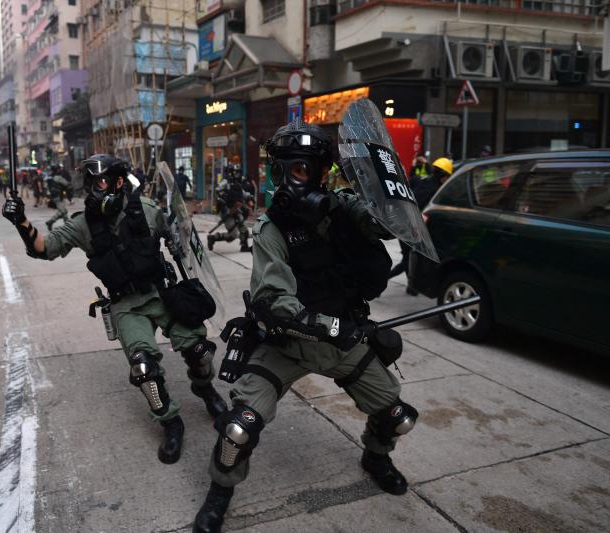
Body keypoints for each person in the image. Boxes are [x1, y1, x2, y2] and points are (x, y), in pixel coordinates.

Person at [193, 120, 416, 532]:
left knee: (397, 415)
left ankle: (376, 456)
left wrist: (390, 194)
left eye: (306, 170)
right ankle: (220, 491)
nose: (296, 180)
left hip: (342, 340)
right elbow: (274, 304)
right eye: (288, 170)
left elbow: (384, 224)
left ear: (322, 171)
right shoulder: (272, 230)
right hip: (285, 345)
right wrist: (331, 328)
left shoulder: (343, 210)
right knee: (238, 429)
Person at [2, 154, 228, 463]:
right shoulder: (82, 224)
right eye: (92, 183)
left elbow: (182, 238)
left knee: (199, 350)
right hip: (127, 305)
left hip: (162, 293)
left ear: (120, 181)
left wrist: (178, 241)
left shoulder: (147, 210)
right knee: (144, 368)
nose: (96, 189)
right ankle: (171, 422)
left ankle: (205, 389)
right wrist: (21, 221)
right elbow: (45, 247)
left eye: (102, 181)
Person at [388, 157, 452, 286]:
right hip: (410, 227)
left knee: (409, 257)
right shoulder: (436, 192)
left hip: (402, 222)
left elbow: (405, 185)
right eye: (448, 177)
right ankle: (385, 279)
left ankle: (412, 287)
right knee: (408, 260)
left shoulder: (420, 180)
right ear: (443, 175)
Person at [208, 167, 251, 252]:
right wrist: (226, 204)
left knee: (244, 230)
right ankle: (213, 238)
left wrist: (249, 199)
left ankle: (244, 246)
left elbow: (244, 195)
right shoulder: (225, 183)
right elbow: (217, 193)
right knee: (233, 235)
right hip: (226, 210)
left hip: (236, 209)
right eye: (233, 172)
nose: (235, 174)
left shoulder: (238, 184)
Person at [44, 165, 73, 231]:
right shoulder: (58, 177)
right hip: (58, 197)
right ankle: (51, 222)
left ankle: (67, 225)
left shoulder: (51, 178)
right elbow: (67, 184)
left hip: (54, 197)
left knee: (63, 212)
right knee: (63, 211)